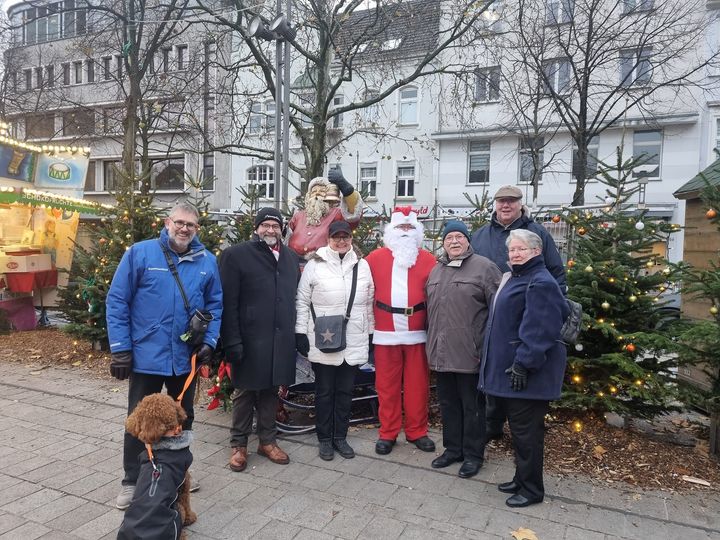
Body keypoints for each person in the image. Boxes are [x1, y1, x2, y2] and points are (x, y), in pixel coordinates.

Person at [106, 202, 222, 510]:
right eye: (180, 222)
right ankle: (132, 480)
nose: (185, 229)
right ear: (167, 222)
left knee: (183, 417)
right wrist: (120, 349)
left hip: (185, 357)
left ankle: (178, 472)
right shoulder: (140, 254)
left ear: (197, 228)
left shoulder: (207, 261)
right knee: (140, 419)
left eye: (191, 225)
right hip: (146, 354)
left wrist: (209, 340)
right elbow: (117, 300)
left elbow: (215, 305)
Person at [479, 229, 569, 508]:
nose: (515, 254)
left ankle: (532, 490)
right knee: (520, 431)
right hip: (512, 372)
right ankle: (521, 479)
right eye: (512, 250)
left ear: (536, 252)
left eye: (522, 249)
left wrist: (523, 364)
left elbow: (540, 329)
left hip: (527, 374)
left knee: (528, 434)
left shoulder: (540, 282)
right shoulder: (520, 277)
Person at [470, 184, 566, 441]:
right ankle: (492, 425)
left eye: (511, 201)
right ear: (495, 204)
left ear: (520, 204)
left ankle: (523, 432)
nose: (506, 205)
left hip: (526, 314)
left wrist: (551, 307)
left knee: (520, 368)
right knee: (493, 367)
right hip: (489, 313)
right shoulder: (480, 236)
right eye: (501, 201)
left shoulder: (536, 233)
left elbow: (556, 273)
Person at [220, 207, 301, 473]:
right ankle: (239, 445)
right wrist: (232, 341)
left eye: (275, 225)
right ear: (256, 228)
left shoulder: (290, 258)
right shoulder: (236, 256)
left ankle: (267, 441)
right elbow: (228, 302)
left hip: (280, 338)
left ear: (282, 229)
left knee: (270, 390)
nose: (270, 230)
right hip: (249, 338)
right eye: (264, 225)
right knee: (245, 391)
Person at [425, 220, 501, 479]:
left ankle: (473, 455)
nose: (454, 241)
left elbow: (498, 311)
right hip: (440, 353)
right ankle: (452, 449)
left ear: (468, 240)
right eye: (449, 238)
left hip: (470, 353)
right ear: (443, 242)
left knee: (473, 407)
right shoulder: (436, 271)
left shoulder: (484, 268)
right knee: (448, 404)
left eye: (459, 237)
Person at [295, 221, 375, 461]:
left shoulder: (363, 265)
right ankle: (324, 439)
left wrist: (370, 332)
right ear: (328, 239)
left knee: (345, 392)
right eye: (336, 237)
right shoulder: (314, 265)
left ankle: (340, 436)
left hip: (353, 338)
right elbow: (301, 301)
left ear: (351, 239)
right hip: (323, 339)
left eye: (346, 237)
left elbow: (368, 301)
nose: (341, 241)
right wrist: (300, 332)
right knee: (324, 392)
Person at [365, 207, 437, 455]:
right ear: (391, 231)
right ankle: (388, 432)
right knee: (386, 385)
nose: (405, 232)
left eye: (410, 227)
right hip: (385, 332)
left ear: (417, 231)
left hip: (418, 332)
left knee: (418, 384)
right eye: (400, 227)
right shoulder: (374, 258)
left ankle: (418, 431)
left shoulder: (429, 259)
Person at [286, 168, 363, 260]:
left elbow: (353, 215)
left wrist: (346, 188)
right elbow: (286, 236)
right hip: (294, 262)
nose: (317, 193)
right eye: (314, 191)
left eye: (322, 191)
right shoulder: (298, 216)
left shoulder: (337, 214)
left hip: (323, 263)